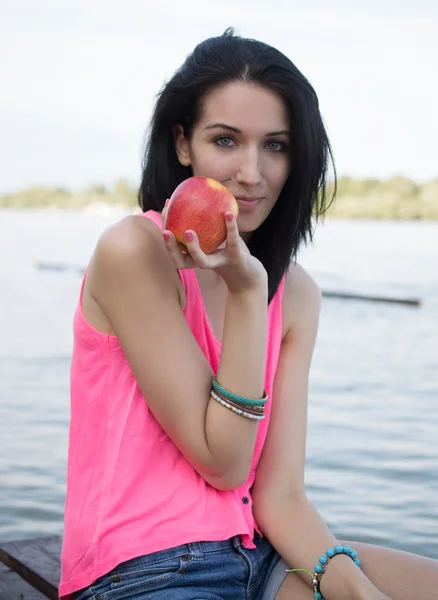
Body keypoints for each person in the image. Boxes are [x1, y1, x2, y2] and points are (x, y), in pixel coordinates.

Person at [60, 28, 438, 600]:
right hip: (141, 571)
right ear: (183, 143)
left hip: (258, 557)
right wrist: (245, 294)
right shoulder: (133, 254)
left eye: (276, 145)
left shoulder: (297, 294)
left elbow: (280, 494)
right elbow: (224, 463)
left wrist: (361, 594)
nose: (251, 173)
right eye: (226, 140)